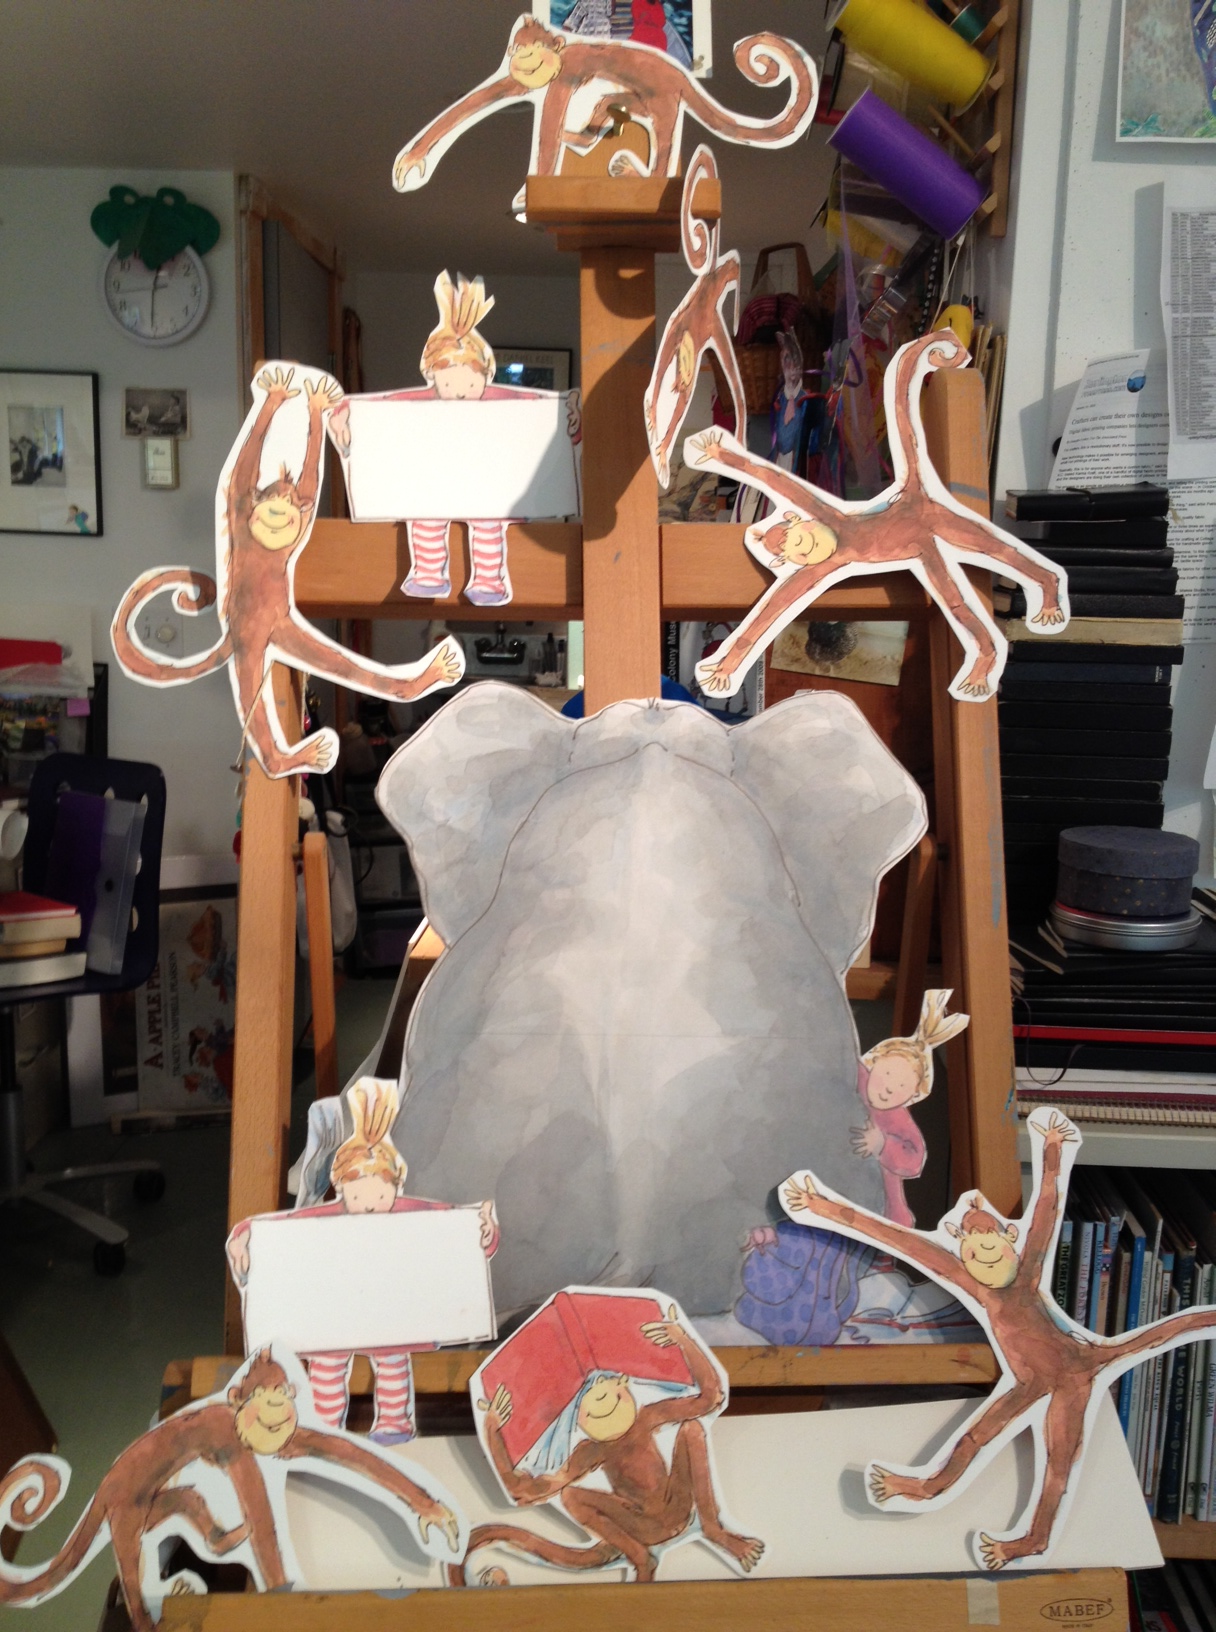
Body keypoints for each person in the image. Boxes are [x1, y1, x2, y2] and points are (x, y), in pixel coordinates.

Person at [227, 1077, 498, 1443]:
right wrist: (244, 1239)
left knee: (392, 1360)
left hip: (388, 1311)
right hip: (336, 1313)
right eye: (358, 1195)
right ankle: (325, 1430)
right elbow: (280, 1228)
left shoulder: (411, 1213)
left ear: (396, 1186)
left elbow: (457, 1232)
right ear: (342, 1188)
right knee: (326, 1363)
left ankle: (393, 1426)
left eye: (381, 1195)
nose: (370, 1205)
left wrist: (483, 1230)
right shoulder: (326, 1218)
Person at [330, 271, 579, 606]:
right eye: (449, 383)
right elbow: (381, 408)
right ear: (433, 377)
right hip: (436, 486)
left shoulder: (500, 401)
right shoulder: (421, 403)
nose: (460, 392)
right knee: (425, 516)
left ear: (486, 377)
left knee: (489, 523)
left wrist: (570, 410)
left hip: (488, 489)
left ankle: (488, 581)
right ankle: (428, 574)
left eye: (470, 383)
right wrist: (343, 415)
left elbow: (537, 407)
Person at [851, 990, 969, 1226]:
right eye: (887, 1073)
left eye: (902, 1085)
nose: (889, 1088)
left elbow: (914, 1159)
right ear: (874, 1061)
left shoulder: (899, 1119)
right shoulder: (856, 1079)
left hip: (879, 1208)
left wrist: (882, 1144)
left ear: (915, 1094)